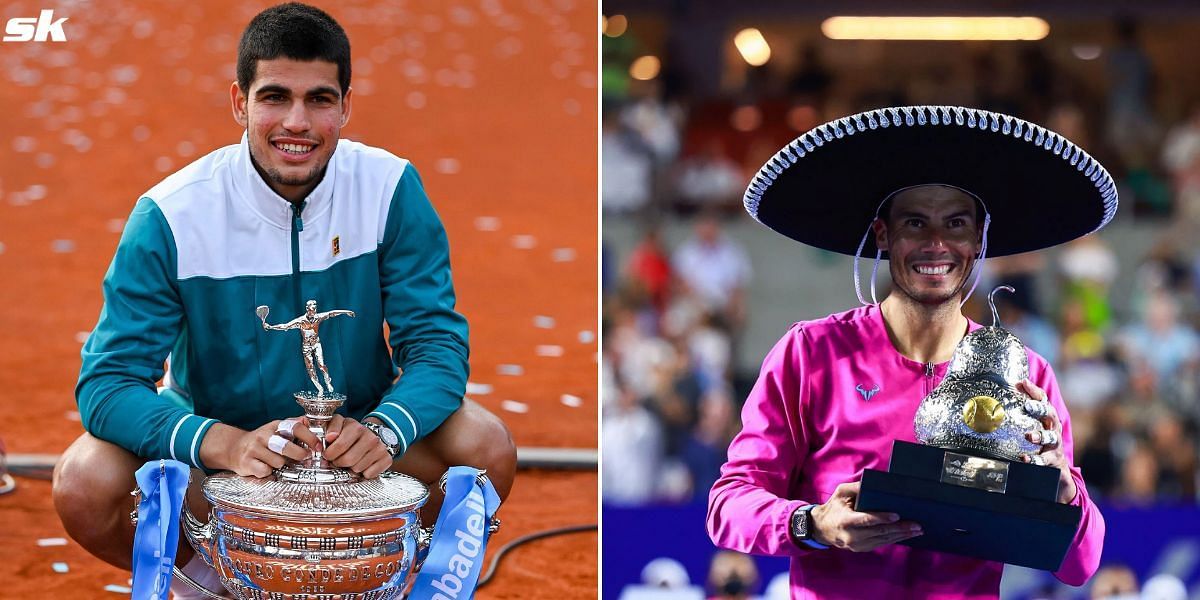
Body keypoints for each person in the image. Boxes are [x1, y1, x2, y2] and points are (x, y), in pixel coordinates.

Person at [51, 4, 516, 597]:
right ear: (240, 102)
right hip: (222, 462)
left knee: (483, 446)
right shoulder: (171, 214)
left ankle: (383, 581)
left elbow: (436, 342)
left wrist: (384, 430)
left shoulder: (389, 187)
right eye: (274, 97)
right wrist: (221, 441)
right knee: (85, 481)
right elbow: (109, 383)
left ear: (346, 106)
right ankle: (212, 582)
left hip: (357, 453)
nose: (297, 122)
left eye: (319, 99)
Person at [708, 106, 1109, 597]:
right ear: (884, 235)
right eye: (916, 223)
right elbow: (729, 504)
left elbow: (1080, 565)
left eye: (956, 223)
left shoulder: (1026, 374)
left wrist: (1063, 491)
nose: (936, 243)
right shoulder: (811, 353)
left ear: (979, 238)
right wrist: (813, 523)